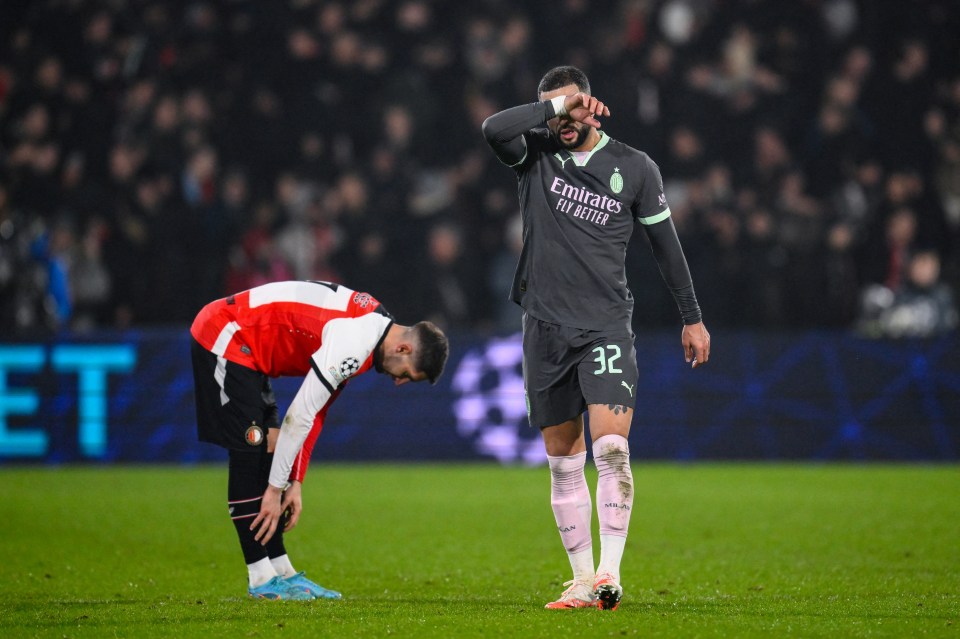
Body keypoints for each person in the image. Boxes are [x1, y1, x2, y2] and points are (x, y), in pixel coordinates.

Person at [481, 66, 711, 611]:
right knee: (564, 461)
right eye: (555, 112)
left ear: (593, 107)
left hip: (605, 324)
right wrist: (556, 107)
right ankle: (581, 580)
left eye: (573, 109)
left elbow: (665, 246)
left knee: (610, 449)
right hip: (544, 326)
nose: (564, 121)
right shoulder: (534, 153)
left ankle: (609, 573)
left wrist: (692, 316)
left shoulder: (634, 167)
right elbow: (493, 128)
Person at [190, 280, 449, 600]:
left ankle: (281, 570)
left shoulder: (372, 329)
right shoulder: (356, 342)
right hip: (226, 334)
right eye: (407, 374)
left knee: (270, 448)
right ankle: (260, 579)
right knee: (250, 450)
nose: (399, 382)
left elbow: (316, 413)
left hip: (250, 348)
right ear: (404, 348)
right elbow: (298, 416)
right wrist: (273, 489)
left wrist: (294, 481)